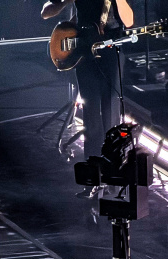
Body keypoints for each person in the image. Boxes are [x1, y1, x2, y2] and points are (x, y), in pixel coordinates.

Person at [41, 0, 134, 160]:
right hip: (84, 53)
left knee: (110, 110)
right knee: (90, 114)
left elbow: (129, 21)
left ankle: (112, 163)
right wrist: (65, 3)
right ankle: (93, 166)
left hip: (110, 51)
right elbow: (45, 12)